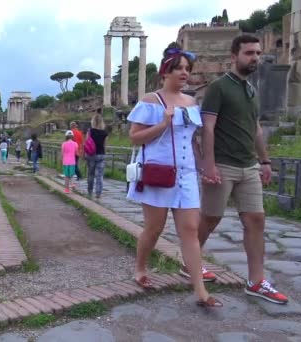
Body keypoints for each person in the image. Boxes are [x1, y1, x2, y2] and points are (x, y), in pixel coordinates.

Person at [126, 42, 221, 307]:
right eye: (178, 68)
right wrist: (163, 123)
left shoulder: (191, 103)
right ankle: (141, 268)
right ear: (165, 72)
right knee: (154, 229)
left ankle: (200, 290)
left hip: (186, 175)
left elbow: (193, 142)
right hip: (158, 173)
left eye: (187, 69)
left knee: (190, 230)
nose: (184, 73)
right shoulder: (150, 101)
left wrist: (205, 168)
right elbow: (135, 138)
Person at [198, 35, 288, 304]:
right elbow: (208, 128)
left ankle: (257, 281)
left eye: (258, 53)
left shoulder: (251, 90)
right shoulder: (218, 88)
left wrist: (265, 161)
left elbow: (256, 129)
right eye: (249, 53)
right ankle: (190, 259)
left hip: (248, 166)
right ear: (234, 56)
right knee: (210, 219)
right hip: (223, 165)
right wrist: (209, 164)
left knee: (256, 220)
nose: (255, 58)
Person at [85, 113, 108, 199]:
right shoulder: (105, 133)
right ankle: (98, 194)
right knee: (100, 175)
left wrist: (85, 154)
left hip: (91, 155)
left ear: (93, 121)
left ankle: (90, 191)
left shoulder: (90, 131)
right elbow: (105, 145)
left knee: (90, 174)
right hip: (101, 155)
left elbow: (86, 143)